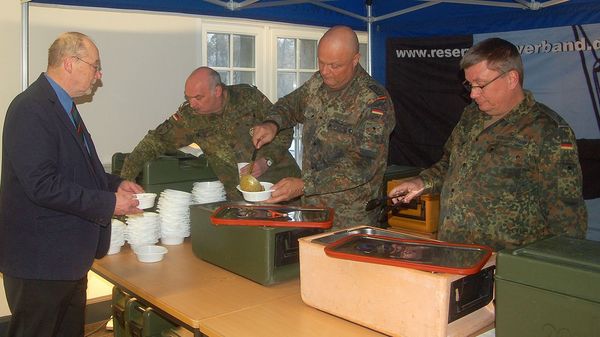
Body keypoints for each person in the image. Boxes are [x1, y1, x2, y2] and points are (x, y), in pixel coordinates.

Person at [0, 32, 143, 337]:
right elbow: (42, 185)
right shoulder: (31, 108)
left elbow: (78, 171)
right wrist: (108, 204)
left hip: (66, 261)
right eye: (95, 66)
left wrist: (116, 184)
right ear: (69, 63)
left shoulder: (62, 106)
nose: (99, 75)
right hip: (40, 263)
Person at [388, 37, 588, 251]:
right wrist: (422, 182)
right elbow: (450, 164)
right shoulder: (472, 116)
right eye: (469, 85)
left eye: (481, 85)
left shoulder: (549, 132)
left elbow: (567, 221)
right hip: (457, 251)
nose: (473, 94)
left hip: (508, 264)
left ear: (512, 79)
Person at [251, 26, 395, 228]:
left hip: (349, 217)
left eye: (335, 65)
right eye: (321, 62)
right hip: (311, 210)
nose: (325, 72)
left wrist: (304, 184)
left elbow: (362, 164)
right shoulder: (317, 83)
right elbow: (290, 105)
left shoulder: (374, 101)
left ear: (355, 60)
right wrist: (272, 123)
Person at [119, 67, 300, 200]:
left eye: (198, 97)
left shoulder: (248, 97)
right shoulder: (190, 118)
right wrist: (123, 181)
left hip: (284, 187)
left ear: (218, 91)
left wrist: (266, 160)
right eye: (188, 98)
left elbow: (283, 128)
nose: (192, 104)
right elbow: (153, 142)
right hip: (242, 200)